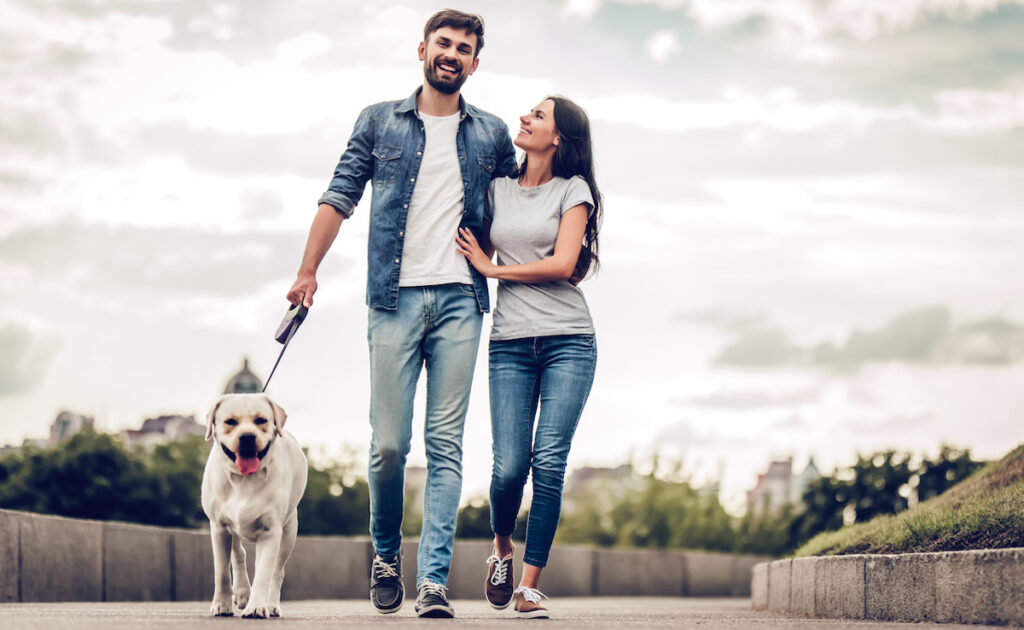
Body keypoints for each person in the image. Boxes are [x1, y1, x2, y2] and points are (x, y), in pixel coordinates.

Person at [286, 9, 516, 619]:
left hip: (461, 303)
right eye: (444, 42)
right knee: (389, 445)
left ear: (474, 62)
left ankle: (434, 581)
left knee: (445, 445)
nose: (452, 53)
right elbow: (338, 196)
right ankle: (386, 555)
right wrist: (307, 270)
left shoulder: (492, 133)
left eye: (464, 48)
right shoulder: (377, 121)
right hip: (392, 300)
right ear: (422, 50)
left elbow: (518, 209)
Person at [454, 95, 602, 619]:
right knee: (509, 466)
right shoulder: (497, 190)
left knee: (549, 462)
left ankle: (531, 585)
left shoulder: (574, 190)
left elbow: (564, 263)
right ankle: (501, 552)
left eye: (538, 116)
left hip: (569, 340)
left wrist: (493, 273)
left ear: (558, 137)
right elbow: (472, 244)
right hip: (510, 344)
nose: (525, 118)